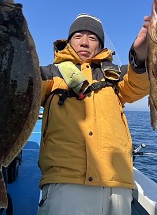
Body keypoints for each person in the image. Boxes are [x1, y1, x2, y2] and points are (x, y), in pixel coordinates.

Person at [38, 13, 150, 215]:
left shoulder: (115, 74)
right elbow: (21, 89)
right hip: (65, 181)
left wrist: (140, 55)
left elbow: (138, 85)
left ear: (100, 46)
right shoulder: (48, 74)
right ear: (69, 41)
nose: (84, 42)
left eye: (92, 38)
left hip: (117, 183)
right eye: (78, 36)